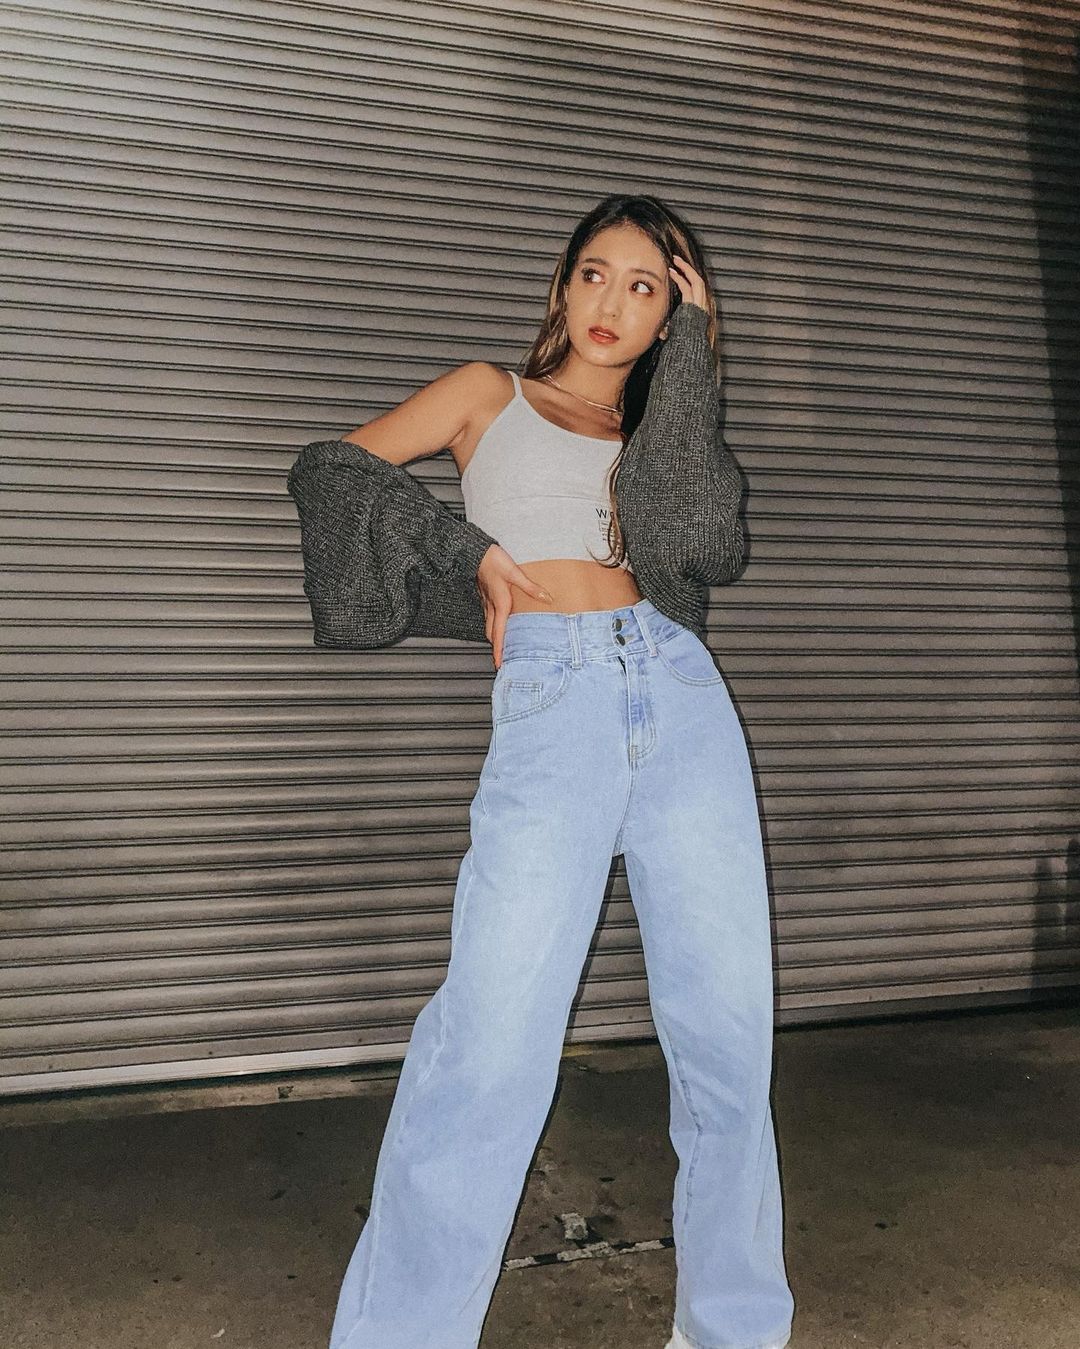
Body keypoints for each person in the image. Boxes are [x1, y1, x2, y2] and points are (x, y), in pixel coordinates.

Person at [293, 193, 795, 1349]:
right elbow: (332, 470)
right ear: (563, 287)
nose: (614, 301)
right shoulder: (489, 393)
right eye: (596, 273)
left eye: (647, 286)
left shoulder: (662, 434)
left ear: (670, 315)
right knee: (491, 1035)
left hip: (682, 697)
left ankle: (731, 1330)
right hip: (556, 701)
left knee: (728, 1040)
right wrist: (466, 552)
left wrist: (695, 367)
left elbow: (711, 545)